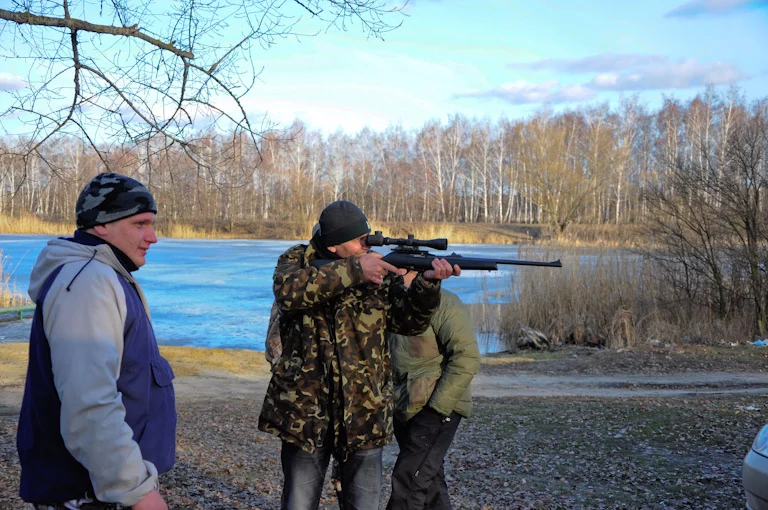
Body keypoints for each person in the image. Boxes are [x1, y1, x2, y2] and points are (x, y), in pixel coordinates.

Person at [258, 200, 460, 510]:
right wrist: (355, 270)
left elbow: (409, 322)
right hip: (305, 415)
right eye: (358, 240)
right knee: (298, 503)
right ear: (333, 246)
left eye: (367, 237)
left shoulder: (378, 269)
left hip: (364, 413)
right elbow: (288, 292)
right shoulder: (296, 260)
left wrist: (427, 286)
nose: (367, 245)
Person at [17, 173, 177, 510]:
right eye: (140, 224)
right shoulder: (89, 282)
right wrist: (137, 491)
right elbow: (89, 403)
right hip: (87, 493)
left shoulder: (103, 274)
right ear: (102, 224)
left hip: (101, 488)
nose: (152, 237)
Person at [387, 270, 481, 510]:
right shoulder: (392, 302)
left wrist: (437, 409)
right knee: (429, 484)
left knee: (408, 482)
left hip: (437, 407)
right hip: (405, 406)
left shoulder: (446, 303)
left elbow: (466, 357)